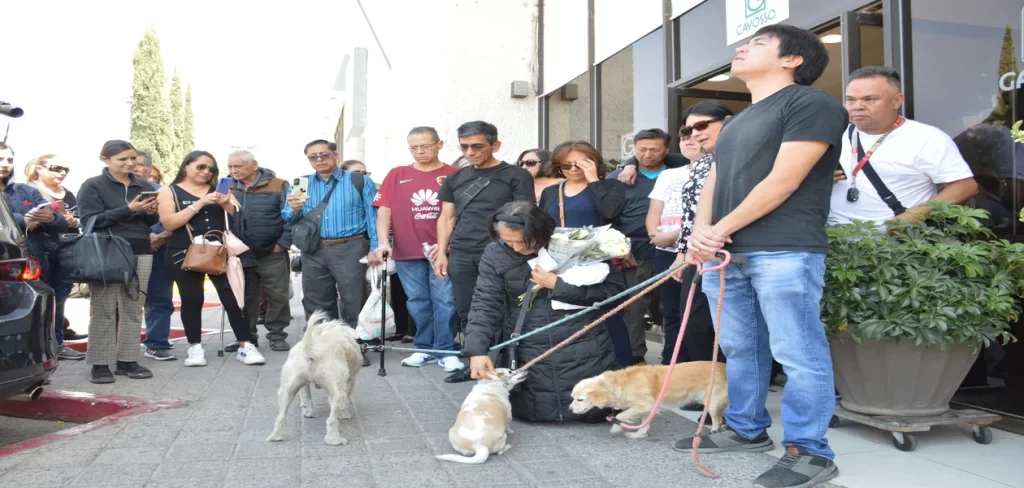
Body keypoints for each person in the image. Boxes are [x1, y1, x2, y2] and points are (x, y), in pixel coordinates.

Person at [674, 25, 848, 488]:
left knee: (797, 351)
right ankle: (746, 429)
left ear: (792, 59)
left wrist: (719, 231)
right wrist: (701, 235)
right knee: (739, 346)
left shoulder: (811, 103)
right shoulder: (739, 121)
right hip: (727, 253)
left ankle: (810, 452)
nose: (741, 48)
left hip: (785, 247)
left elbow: (785, 180)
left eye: (757, 43)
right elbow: (713, 183)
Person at [465, 201, 624, 422]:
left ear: (541, 232)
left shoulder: (576, 243)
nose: (516, 248)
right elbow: (485, 302)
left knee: (591, 406)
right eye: (508, 242)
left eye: (523, 242)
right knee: (536, 409)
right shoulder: (495, 253)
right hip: (528, 340)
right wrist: (477, 350)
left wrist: (558, 286)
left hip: (581, 339)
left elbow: (616, 293)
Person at [433, 121, 535, 383]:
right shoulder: (455, 178)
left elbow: (525, 216)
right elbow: (446, 218)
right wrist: (442, 253)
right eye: (465, 147)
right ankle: (474, 364)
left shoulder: (516, 175)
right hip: (462, 252)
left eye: (477, 146)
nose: (470, 152)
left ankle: (505, 364)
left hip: (503, 252)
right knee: (467, 310)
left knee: (506, 308)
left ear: (495, 145)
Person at [156, 151, 266, 368]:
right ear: (186, 166)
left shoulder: (220, 189)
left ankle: (245, 345)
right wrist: (200, 203)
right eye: (201, 167)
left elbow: (241, 219)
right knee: (191, 300)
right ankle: (195, 347)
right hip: (183, 251)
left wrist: (226, 204)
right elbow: (169, 223)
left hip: (219, 250)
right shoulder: (169, 191)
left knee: (234, 297)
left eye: (211, 169)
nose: (206, 172)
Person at [831, 65, 978, 226]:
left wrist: (913, 216)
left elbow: (964, 187)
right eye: (851, 100)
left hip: (898, 238)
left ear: (897, 101)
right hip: (833, 237)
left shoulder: (927, 138)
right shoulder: (831, 134)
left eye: (870, 99)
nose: (857, 106)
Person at [373, 126, 463, 372]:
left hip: (442, 251)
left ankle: (446, 349)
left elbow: (459, 214)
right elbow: (384, 210)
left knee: (445, 300)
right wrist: (383, 242)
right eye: (414, 147)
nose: (419, 151)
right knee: (417, 301)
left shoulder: (454, 174)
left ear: (439, 144)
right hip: (407, 249)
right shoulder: (397, 174)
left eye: (425, 146)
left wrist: (447, 244)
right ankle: (424, 347)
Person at [284, 140, 380, 366]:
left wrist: (375, 247)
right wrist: (294, 209)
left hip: (351, 246)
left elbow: (373, 216)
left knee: (353, 299)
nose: (319, 160)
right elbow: (288, 217)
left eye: (324, 155)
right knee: (317, 301)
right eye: (313, 157)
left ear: (335, 155)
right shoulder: (302, 183)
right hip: (314, 249)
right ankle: (324, 349)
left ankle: (355, 350)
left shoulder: (358, 181)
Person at [538, 141, 632, 367]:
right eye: (566, 165)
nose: (573, 169)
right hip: (560, 263)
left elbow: (610, 212)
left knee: (609, 317)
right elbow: (543, 226)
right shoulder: (551, 191)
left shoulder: (611, 187)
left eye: (580, 164)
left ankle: (622, 368)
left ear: (593, 162)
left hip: (598, 262)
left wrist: (593, 180)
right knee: (568, 317)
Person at [78, 140, 159, 383]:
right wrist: (129, 209)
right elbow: (89, 221)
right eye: (123, 159)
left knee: (134, 308)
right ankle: (100, 363)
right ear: (105, 159)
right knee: (103, 309)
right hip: (107, 250)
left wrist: (150, 211)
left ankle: (128, 360)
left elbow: (150, 222)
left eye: (133, 158)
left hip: (141, 248)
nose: (130, 163)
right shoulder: (93, 185)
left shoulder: (144, 185)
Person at [663, 101, 735, 369]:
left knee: (726, 327)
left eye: (702, 125)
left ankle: (724, 383)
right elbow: (690, 214)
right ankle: (704, 381)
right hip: (697, 253)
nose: (694, 134)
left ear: (728, 121)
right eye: (688, 129)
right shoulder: (704, 161)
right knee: (692, 321)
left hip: (728, 251)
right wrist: (682, 253)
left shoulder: (741, 155)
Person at [606, 129, 673, 365]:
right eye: (641, 150)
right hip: (634, 253)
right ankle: (634, 359)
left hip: (673, 250)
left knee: (671, 308)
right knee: (633, 309)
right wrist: (620, 249)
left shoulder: (678, 173)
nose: (647, 155)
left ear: (666, 150)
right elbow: (607, 217)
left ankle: (672, 359)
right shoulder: (618, 179)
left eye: (654, 150)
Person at [226, 149, 294, 352]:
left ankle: (277, 335)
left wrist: (283, 243)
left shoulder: (279, 185)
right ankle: (246, 336)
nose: (233, 171)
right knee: (244, 296)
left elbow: (291, 215)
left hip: (272, 251)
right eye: (230, 167)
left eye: (238, 166)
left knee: (278, 295)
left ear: (254, 164)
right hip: (240, 253)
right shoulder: (226, 186)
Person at [23, 154, 88, 359]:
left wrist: (72, 221)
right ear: (39, 168)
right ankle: (39, 347)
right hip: (39, 250)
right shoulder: (28, 191)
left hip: (67, 248)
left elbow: (78, 219)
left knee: (59, 299)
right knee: (39, 300)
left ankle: (57, 343)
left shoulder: (68, 194)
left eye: (65, 169)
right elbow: (23, 220)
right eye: (56, 168)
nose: (62, 173)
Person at [135, 150, 177, 361]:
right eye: (129, 162)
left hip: (159, 251)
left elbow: (177, 219)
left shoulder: (163, 192)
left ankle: (157, 343)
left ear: (149, 168)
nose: (134, 167)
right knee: (120, 301)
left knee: (159, 298)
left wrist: (160, 237)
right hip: (122, 252)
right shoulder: (113, 192)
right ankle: (118, 344)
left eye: (140, 164)